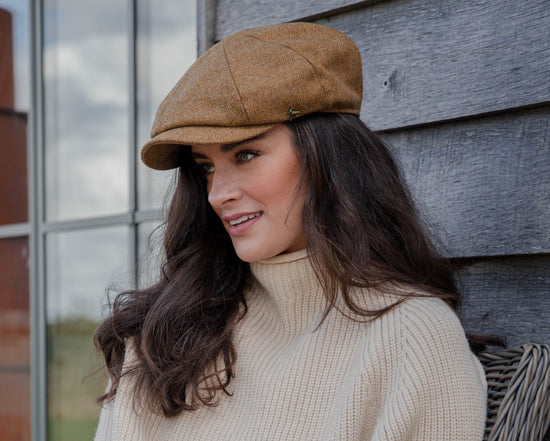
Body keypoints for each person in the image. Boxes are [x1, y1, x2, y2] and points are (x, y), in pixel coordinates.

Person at [94, 22, 488, 440]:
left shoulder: (412, 336)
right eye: (206, 168)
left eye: (246, 154)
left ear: (328, 157)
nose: (217, 194)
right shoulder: (162, 333)